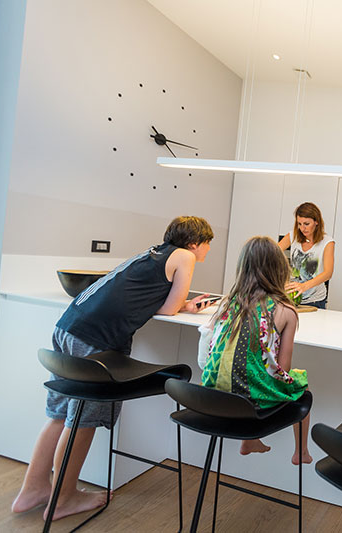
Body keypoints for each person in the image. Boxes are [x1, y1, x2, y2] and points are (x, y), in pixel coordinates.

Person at [12, 216, 215, 521]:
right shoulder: (185, 256)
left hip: (68, 327)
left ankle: (34, 488)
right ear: (195, 242)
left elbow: (158, 303)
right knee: (82, 420)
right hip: (95, 340)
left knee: (60, 415)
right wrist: (182, 305)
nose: (208, 250)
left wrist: (183, 305)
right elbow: (170, 308)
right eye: (208, 244)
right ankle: (63, 498)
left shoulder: (152, 253)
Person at [198, 235, 311, 464]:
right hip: (251, 403)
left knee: (242, 372)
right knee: (301, 387)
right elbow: (281, 369)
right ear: (280, 270)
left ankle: (250, 440)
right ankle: (301, 452)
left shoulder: (227, 303)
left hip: (212, 394)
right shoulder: (285, 311)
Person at [277, 202, 335, 309]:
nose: (302, 228)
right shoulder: (292, 236)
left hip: (315, 301)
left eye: (306, 224)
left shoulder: (327, 242)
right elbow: (272, 254)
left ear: (316, 222)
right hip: (291, 297)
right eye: (299, 224)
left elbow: (328, 273)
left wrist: (303, 286)